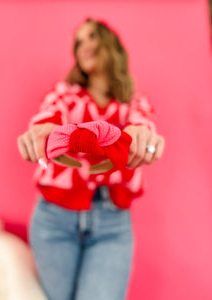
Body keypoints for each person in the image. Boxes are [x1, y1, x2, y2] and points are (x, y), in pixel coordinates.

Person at [17, 18, 165, 300]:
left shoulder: (133, 103)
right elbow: (51, 112)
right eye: (78, 42)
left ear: (110, 44)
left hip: (113, 222)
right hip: (54, 219)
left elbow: (141, 122)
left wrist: (142, 137)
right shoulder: (64, 95)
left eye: (91, 37)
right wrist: (43, 130)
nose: (84, 46)